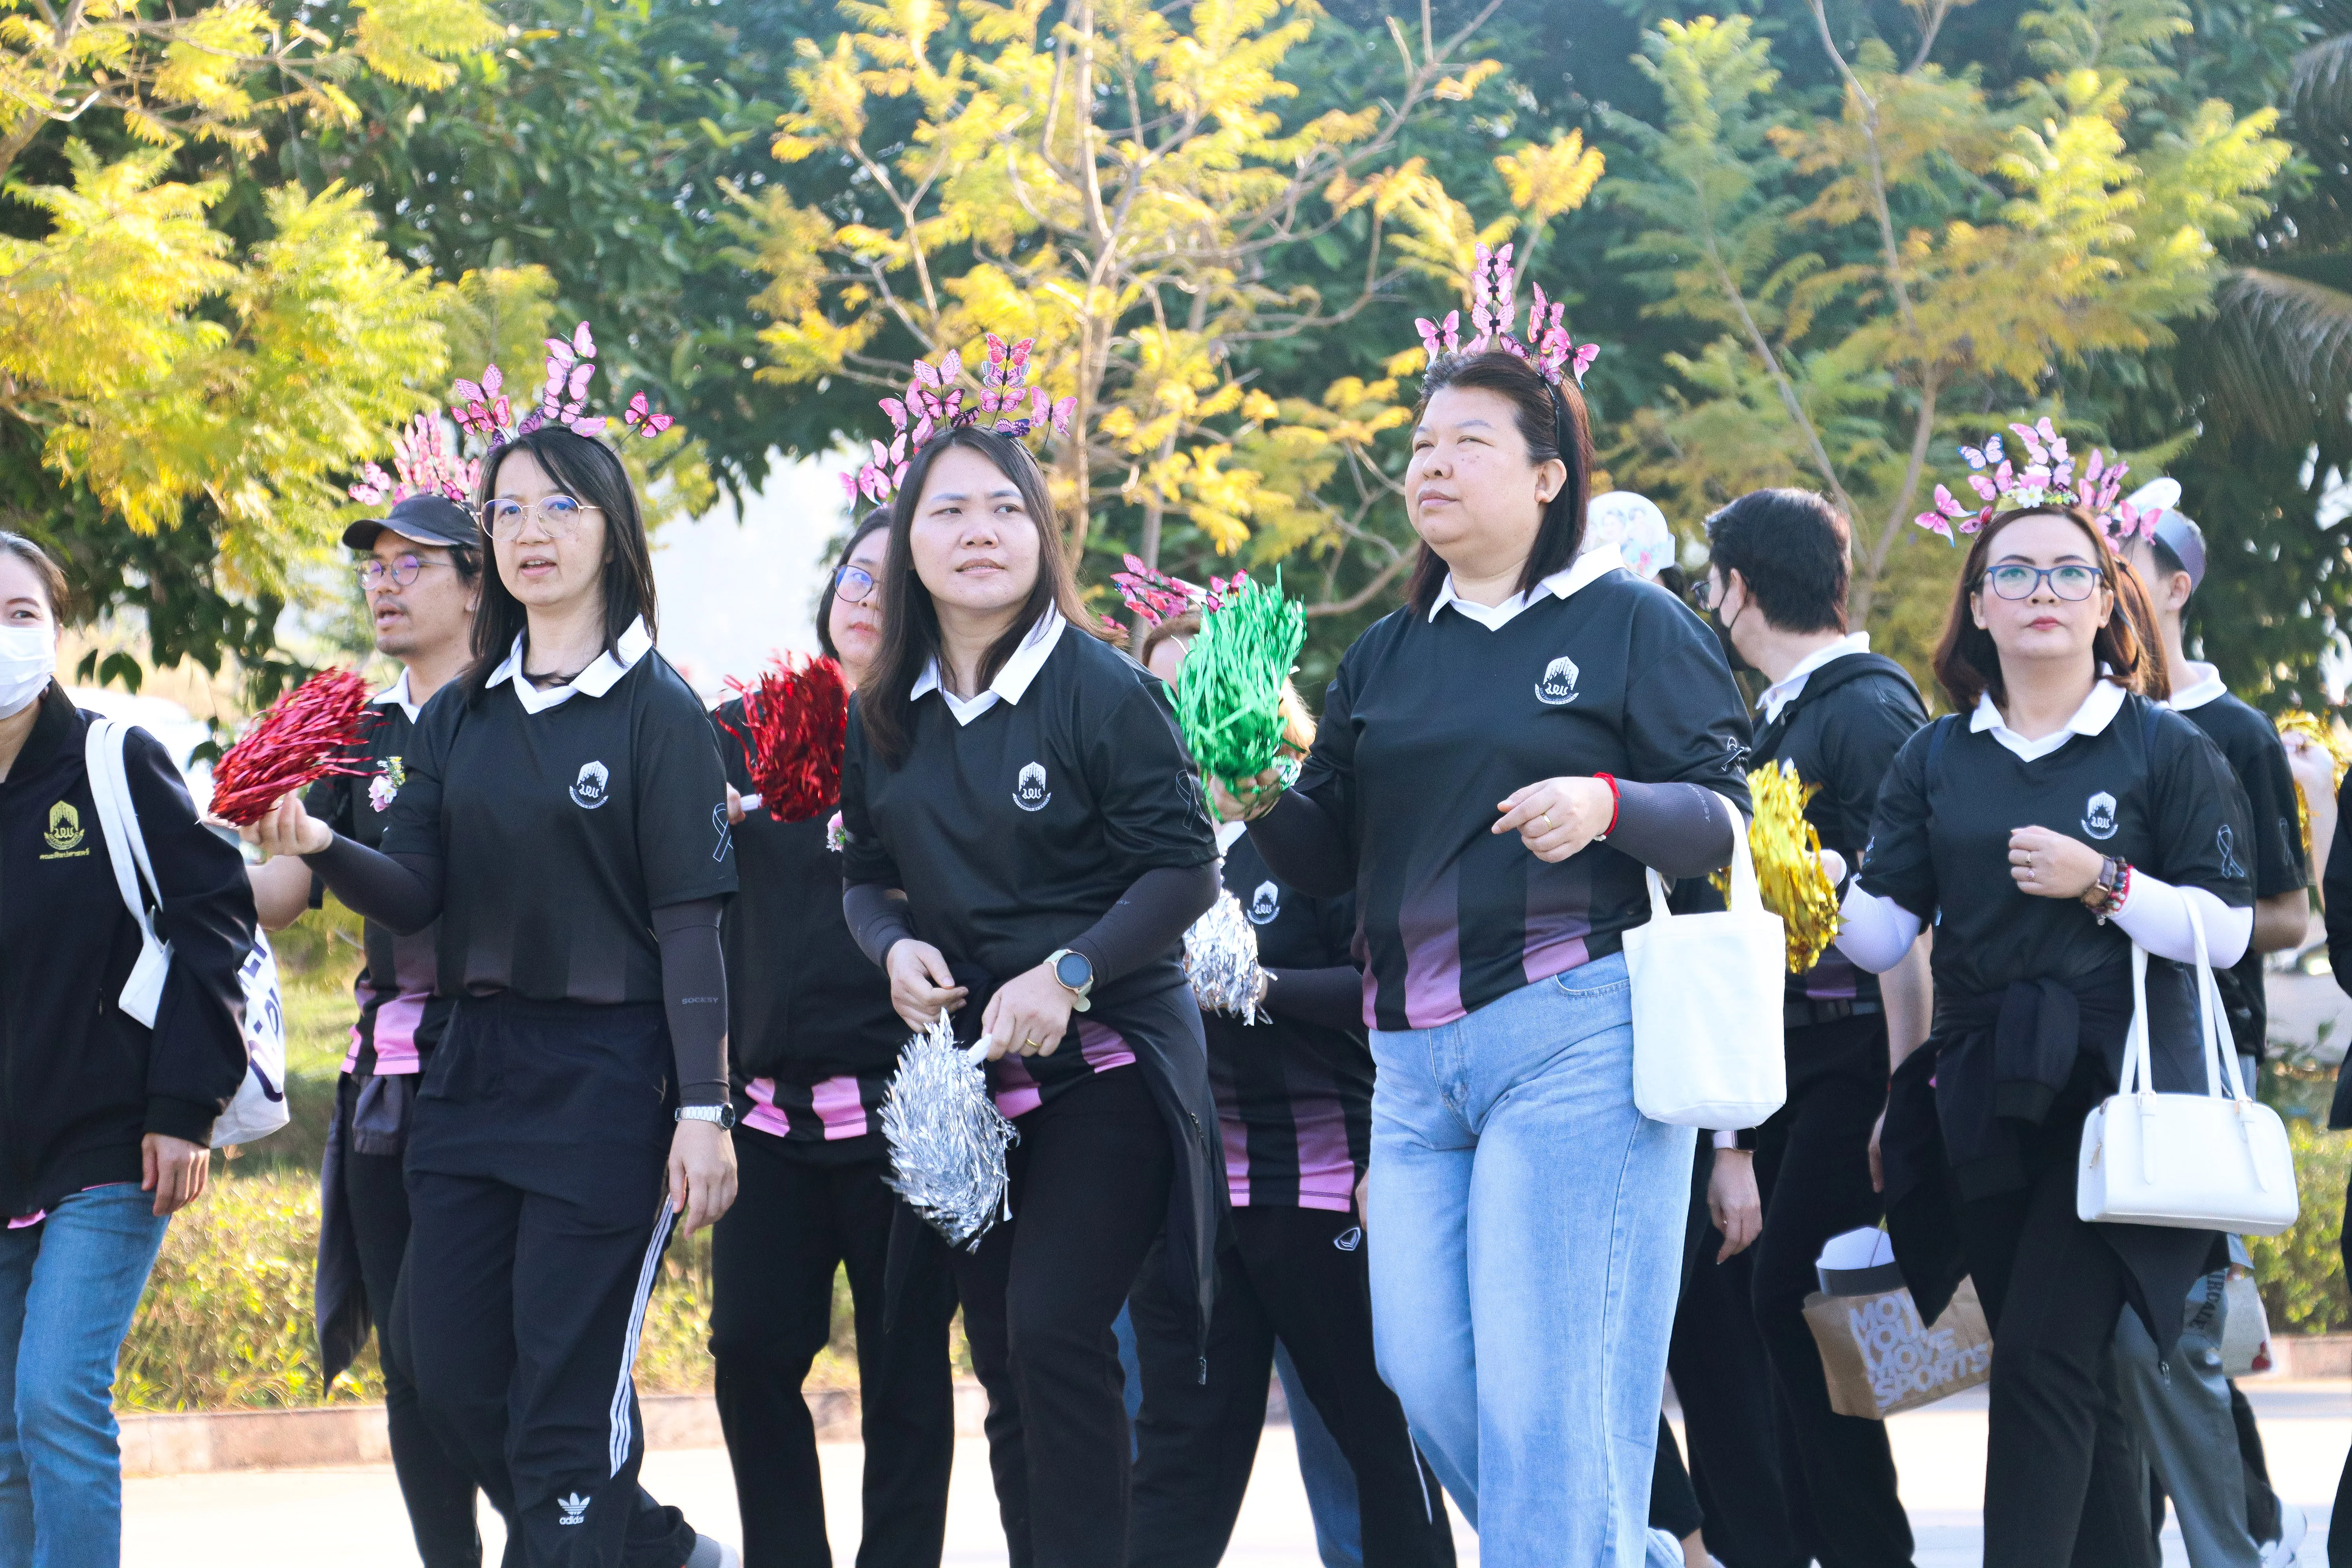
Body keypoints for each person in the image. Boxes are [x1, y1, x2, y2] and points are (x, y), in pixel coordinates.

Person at [1218, 331, 1754, 1564]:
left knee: (1550, 1400)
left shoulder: (1630, 625)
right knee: (1423, 1370)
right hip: (1409, 1066)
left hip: (1577, 1037)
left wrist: (1609, 805)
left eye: (1468, 443)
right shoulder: (1390, 653)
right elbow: (1329, 859)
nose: (1432, 466)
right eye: (1420, 446)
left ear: (1551, 475)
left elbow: (1728, 820)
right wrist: (1260, 792)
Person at [244, 418, 741, 1568]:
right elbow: (413, 893)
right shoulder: (457, 717)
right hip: (470, 1082)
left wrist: (705, 1111)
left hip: (608, 1091)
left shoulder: (659, 711)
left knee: (567, 1414)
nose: (531, 533)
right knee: (448, 1373)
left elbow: (691, 927)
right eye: (509, 510)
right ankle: (659, 1554)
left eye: (562, 508)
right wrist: (317, 837)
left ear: (613, 535)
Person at [1831, 488, 2256, 1567]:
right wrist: (1803, 880)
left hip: (2121, 1103)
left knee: (2033, 1364)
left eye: (2070, 572)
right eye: (2012, 574)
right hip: (1984, 1098)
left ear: (2109, 602)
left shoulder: (2162, 749)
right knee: (2071, 1382)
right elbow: (1883, 937)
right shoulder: (1936, 758)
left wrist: (2104, 881)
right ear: (1976, 607)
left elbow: (2230, 930)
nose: (2042, 594)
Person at [835, 409, 1221, 1568]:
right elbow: (864, 874)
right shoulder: (887, 713)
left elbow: (1187, 868)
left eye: (1006, 508)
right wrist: (889, 950)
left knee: (1055, 1330)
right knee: (1003, 1355)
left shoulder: (1103, 692)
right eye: (948, 510)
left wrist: (1072, 970)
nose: (980, 532)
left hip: (1108, 1074)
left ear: (1043, 534)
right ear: (909, 543)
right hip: (973, 1102)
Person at [1125, 615, 1455, 1568]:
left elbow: (1391, 987)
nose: (1187, 714)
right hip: (1196, 1205)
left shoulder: (1317, 829)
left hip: (1326, 1184)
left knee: (1381, 1444)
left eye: (1206, 689)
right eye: (1165, 695)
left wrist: (1258, 987)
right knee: (1178, 1460)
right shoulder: (1146, 840)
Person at [705, 511, 956, 1568]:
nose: (864, 595)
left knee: (906, 1372)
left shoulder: (944, 742)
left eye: (892, 585)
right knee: (749, 1354)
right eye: (854, 573)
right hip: (768, 1118)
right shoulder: (745, 727)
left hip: (908, 1116)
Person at [0, 531, 255, 1568]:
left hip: (111, 1144)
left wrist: (183, 1106)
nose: (3, 635)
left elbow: (216, 923)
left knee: (56, 1395)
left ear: (57, 630)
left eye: (20, 613)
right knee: (6, 1437)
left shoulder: (111, 761)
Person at [245, 492, 485, 1568]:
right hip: (392, 1080)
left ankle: (619, 1541)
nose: (384, 583)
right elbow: (284, 890)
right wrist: (197, 846)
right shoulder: (360, 734)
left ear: (480, 583)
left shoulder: (522, 716)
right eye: (373, 567)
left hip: (513, 1072)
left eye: (412, 565)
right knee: (411, 1364)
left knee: (476, 1355)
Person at [1699, 488, 1929, 1568]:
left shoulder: (1868, 710)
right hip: (1788, 1064)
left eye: (1712, 582)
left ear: (1740, 585)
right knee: (1778, 1307)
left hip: (1854, 1058)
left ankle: (1871, 1551)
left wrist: (1905, 1090)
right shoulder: (1781, 713)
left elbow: (1915, 914)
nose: (1708, 603)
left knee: (1793, 1294)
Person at [2116, 506, 2308, 1567]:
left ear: (2175, 588)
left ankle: (2250, 1530)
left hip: (2201, 1061)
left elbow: (2281, 914)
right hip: (2099, 1062)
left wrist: (2158, 911)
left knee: (2188, 1320)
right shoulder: (2080, 721)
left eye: (2116, 565)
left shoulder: (2233, 734)